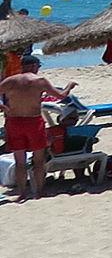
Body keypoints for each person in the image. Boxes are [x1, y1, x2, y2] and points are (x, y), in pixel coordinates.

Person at [2, 55, 78, 200]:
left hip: (14, 122)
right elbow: (61, 96)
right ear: (34, 66)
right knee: (39, 160)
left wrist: (3, 107)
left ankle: (22, 193)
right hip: (33, 122)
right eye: (38, 66)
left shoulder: (10, 81)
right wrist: (70, 85)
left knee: (20, 161)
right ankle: (39, 192)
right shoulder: (40, 81)